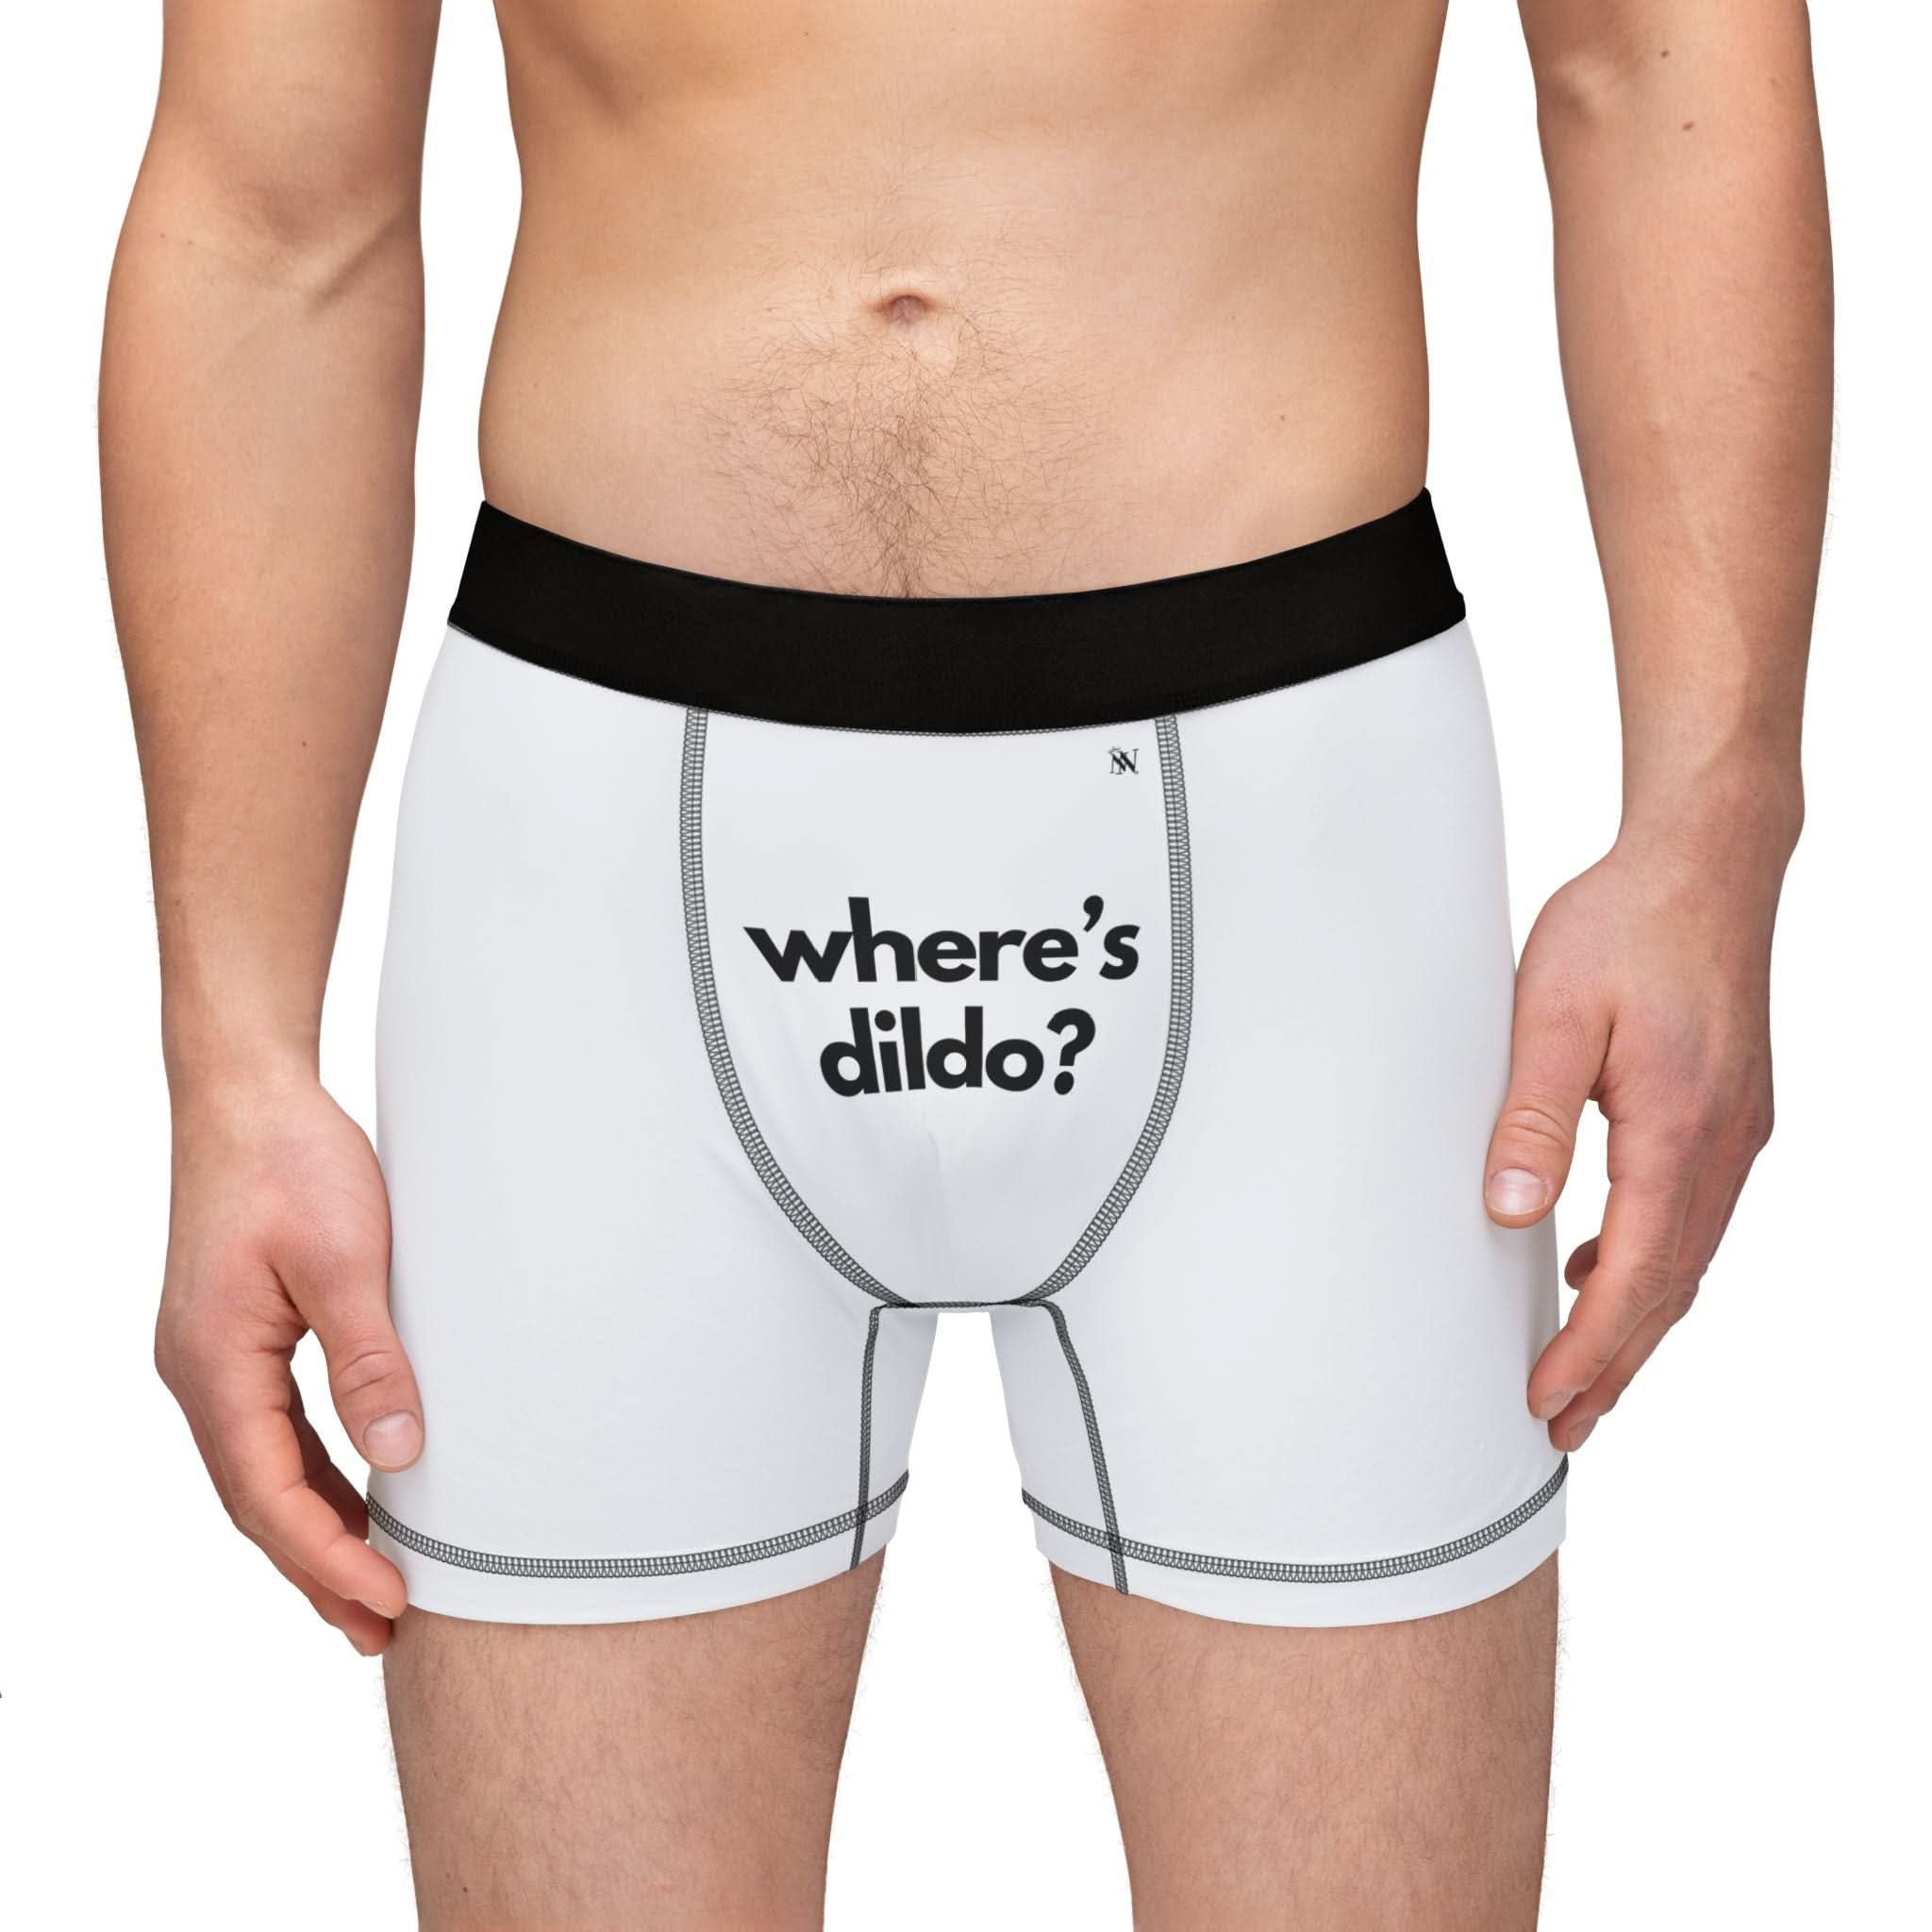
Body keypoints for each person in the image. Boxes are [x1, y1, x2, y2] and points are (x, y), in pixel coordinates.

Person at [100, 0, 1829, 1924]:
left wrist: (1713, 822)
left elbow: (1655, 56)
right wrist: (232, 1054)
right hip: (595, 887)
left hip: (1301, 861)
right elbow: (279, 212)